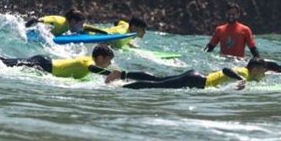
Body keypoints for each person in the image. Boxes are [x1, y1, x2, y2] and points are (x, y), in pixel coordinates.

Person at [0, 43, 116, 79]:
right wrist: (111, 74)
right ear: (100, 58)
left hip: (45, 63)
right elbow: (93, 70)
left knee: (5, 61)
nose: (109, 64)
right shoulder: (87, 63)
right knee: (4, 62)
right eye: (108, 61)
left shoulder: (89, 60)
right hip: (43, 65)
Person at [105, 57, 268, 90]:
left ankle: (123, 75)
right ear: (254, 69)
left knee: (157, 80)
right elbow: (226, 69)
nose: (264, 74)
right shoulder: (244, 73)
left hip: (196, 77)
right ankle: (122, 88)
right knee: (156, 85)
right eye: (263, 71)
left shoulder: (248, 77)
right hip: (197, 82)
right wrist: (240, 80)